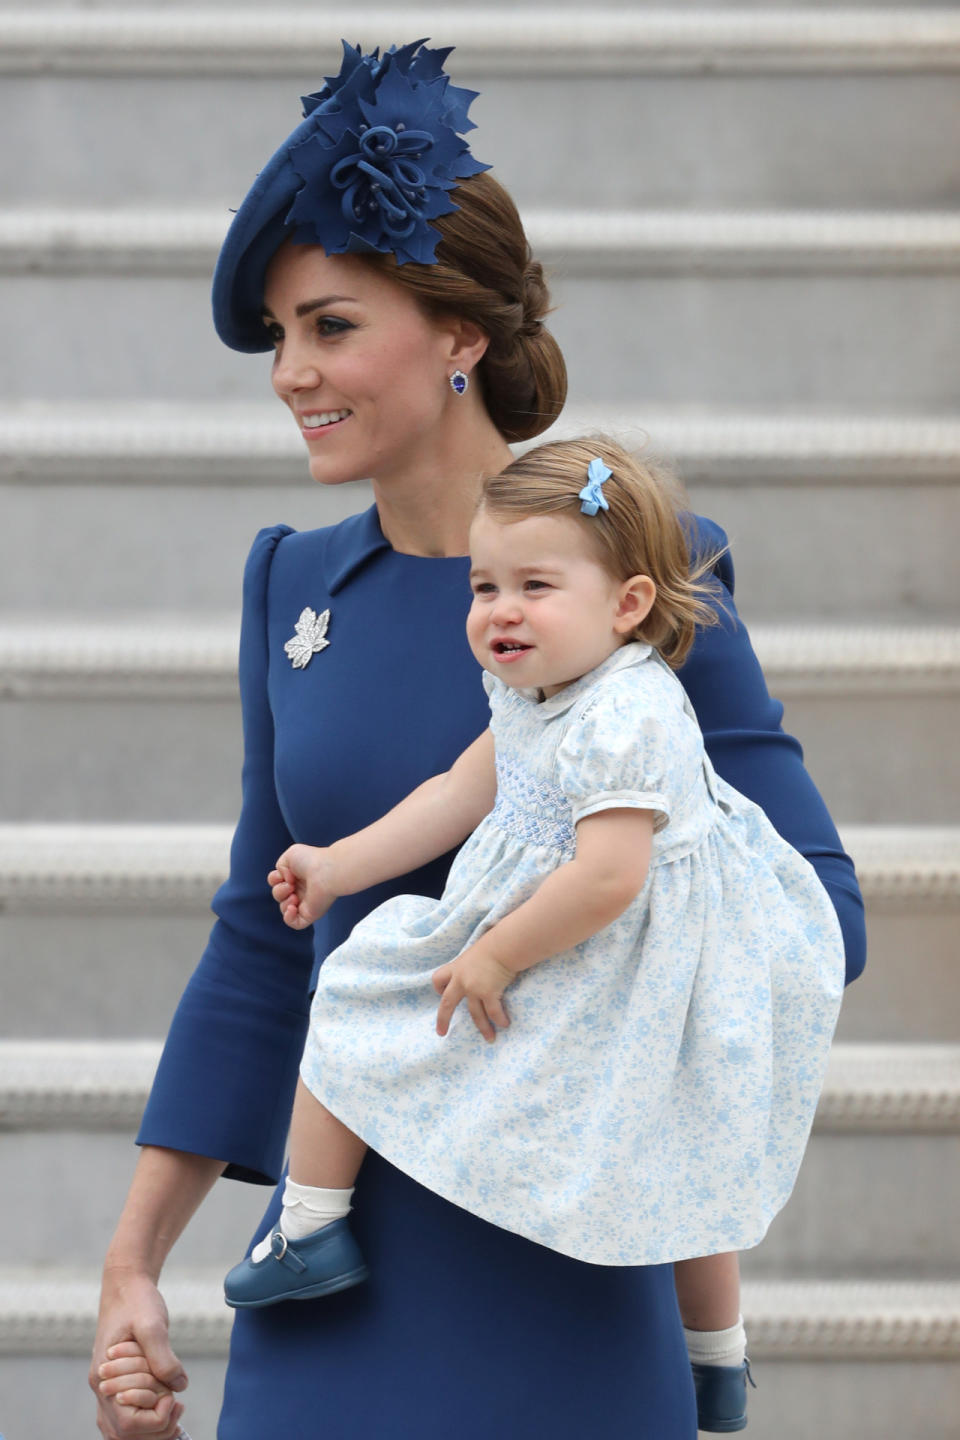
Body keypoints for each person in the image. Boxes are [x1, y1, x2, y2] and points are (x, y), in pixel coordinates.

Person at [90, 39, 866, 1440]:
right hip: (325, 1270)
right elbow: (262, 943)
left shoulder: (648, 570)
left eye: (330, 326)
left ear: (459, 337)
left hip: (566, 1255)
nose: (290, 373)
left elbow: (816, 916)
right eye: (280, 337)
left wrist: (539, 948)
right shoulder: (292, 586)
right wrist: (135, 1258)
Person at [217, 437, 845, 1433]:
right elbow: (459, 792)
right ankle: (714, 1362)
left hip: (641, 939)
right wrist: (337, 863)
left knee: (358, 988)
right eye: (484, 585)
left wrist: (498, 950)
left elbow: (609, 875)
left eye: (535, 586)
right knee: (674, 1153)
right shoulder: (531, 689)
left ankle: (313, 1222)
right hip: (595, 923)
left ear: (628, 604)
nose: (501, 610)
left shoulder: (629, 709)